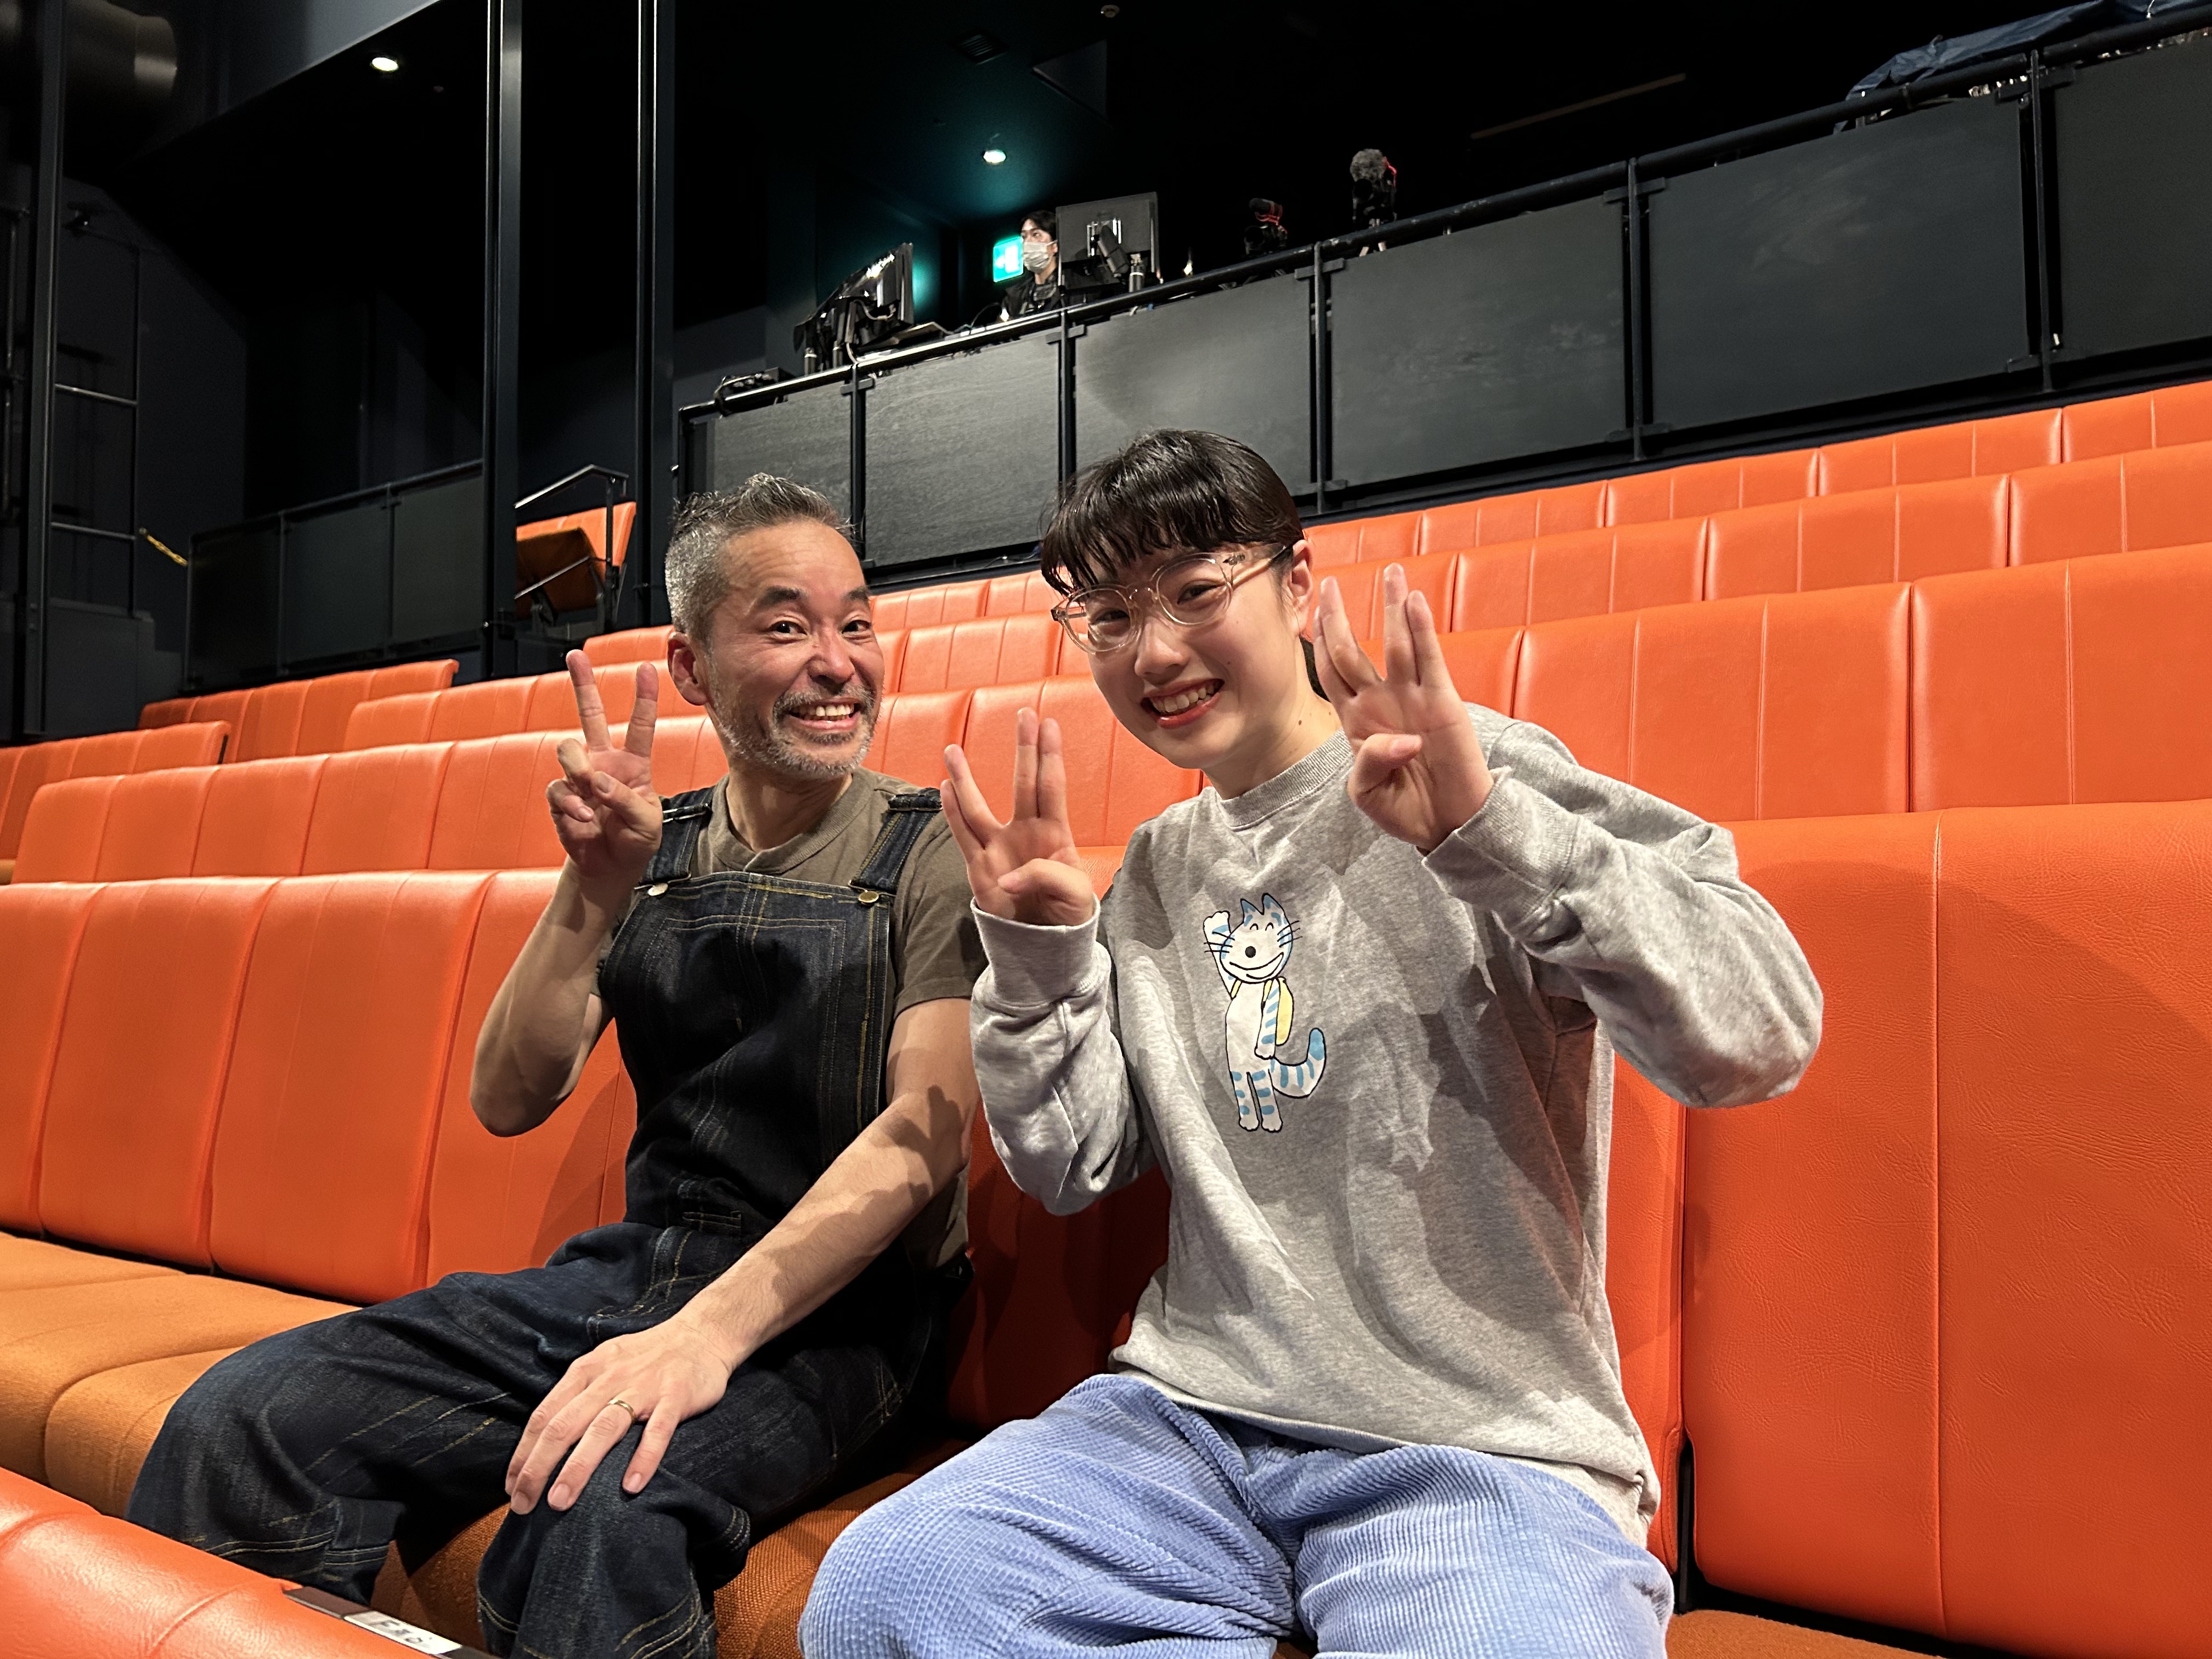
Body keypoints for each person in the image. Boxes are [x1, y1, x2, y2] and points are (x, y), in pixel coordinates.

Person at [802, 431, 1821, 1657]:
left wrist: (1488, 836)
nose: (1155, 651)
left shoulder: (1472, 773)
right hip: (1188, 1425)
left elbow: (1760, 1031)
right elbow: (1069, 1164)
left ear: (1295, 584)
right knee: (889, 1593)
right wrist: (1037, 960)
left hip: (1476, 1448)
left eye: (1194, 590)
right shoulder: (1156, 872)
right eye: (1109, 617)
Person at [130, 476, 986, 1659]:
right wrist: (593, 888)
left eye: (856, 623)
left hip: (850, 1312)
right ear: (690, 667)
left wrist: (707, 1336)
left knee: (602, 1507)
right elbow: (508, 1094)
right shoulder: (644, 838)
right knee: (244, 1419)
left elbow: (921, 1137)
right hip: (636, 1271)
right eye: (788, 626)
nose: (838, 663)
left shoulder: (930, 846)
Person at [994, 207, 1063, 320]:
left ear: (1055, 246)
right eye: (1024, 237)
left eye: (1036, 235)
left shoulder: (1074, 287)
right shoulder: (1014, 299)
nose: (1027, 242)